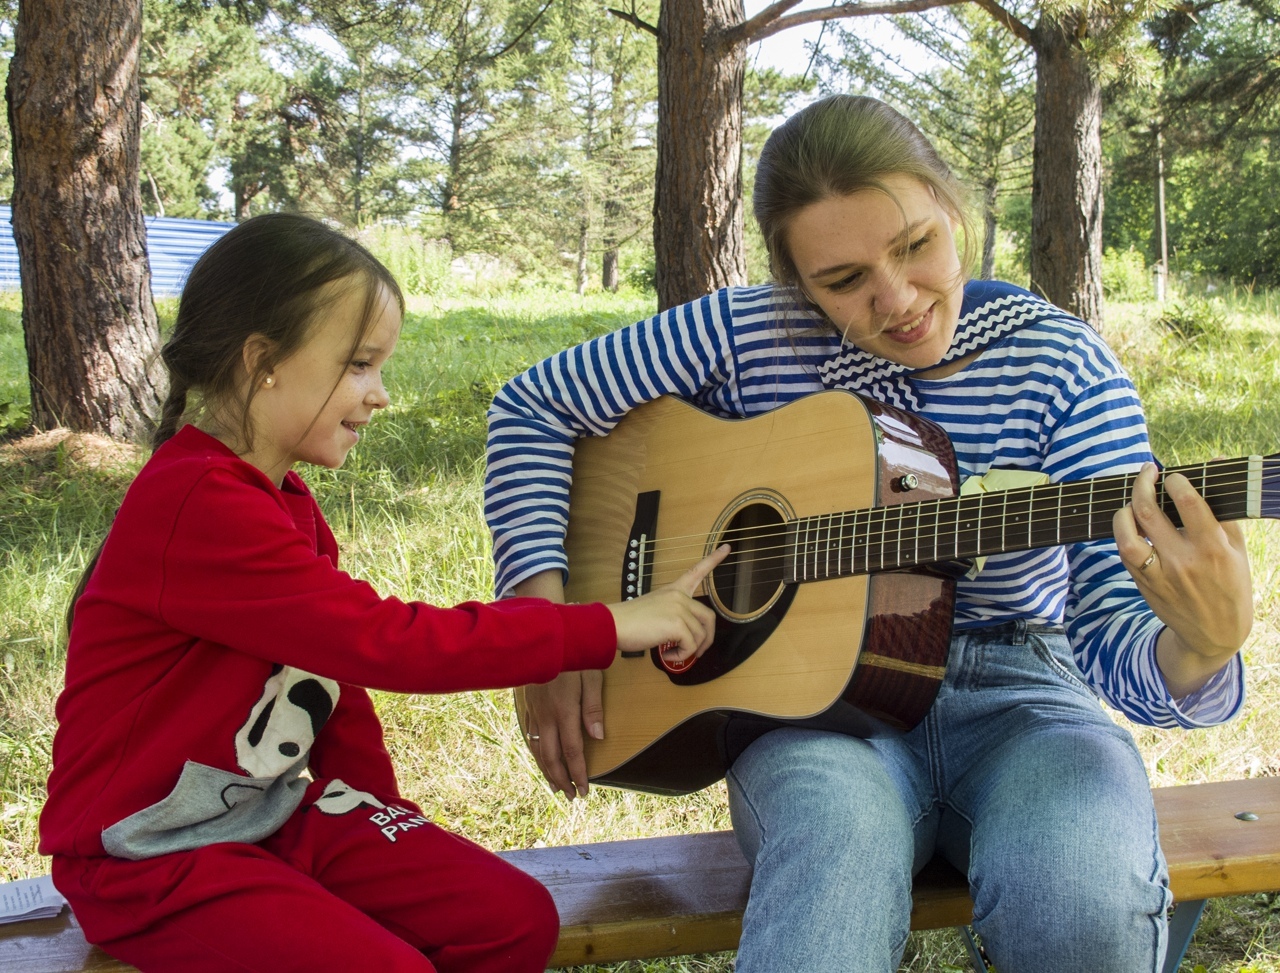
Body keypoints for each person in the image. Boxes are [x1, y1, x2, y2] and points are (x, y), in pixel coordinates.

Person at [482, 95, 1254, 972]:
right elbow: (534, 403)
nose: (898, 300)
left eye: (916, 244)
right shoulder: (749, 332)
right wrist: (545, 624)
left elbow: (1119, 646)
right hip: (813, 716)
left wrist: (1202, 643)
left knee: (1082, 900)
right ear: (794, 280)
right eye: (842, 281)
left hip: (1024, 697)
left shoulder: (1059, 365)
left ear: (950, 205)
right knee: (830, 876)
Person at [39, 212, 723, 973]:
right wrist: (605, 624)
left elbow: (330, 680)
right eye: (360, 365)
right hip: (149, 856)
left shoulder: (283, 496)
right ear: (263, 360)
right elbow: (389, 642)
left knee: (514, 919)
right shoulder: (196, 502)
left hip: (267, 814)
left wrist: (384, 818)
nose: (381, 395)